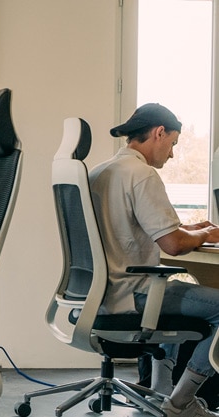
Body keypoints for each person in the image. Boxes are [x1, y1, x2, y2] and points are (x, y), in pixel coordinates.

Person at [89, 102, 219, 417]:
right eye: (172, 143)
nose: (172, 154)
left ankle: (160, 394)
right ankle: (181, 403)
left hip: (101, 293)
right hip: (134, 294)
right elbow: (173, 245)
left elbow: (133, 227)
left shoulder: (101, 171)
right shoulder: (141, 174)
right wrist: (206, 236)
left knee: (173, 287)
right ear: (159, 133)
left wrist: (192, 228)